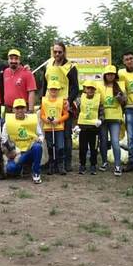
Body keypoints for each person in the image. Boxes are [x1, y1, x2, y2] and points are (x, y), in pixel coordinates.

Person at [41, 41, 79, 172]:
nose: (57, 54)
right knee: (50, 136)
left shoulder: (70, 67)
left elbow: (76, 87)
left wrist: (69, 100)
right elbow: (44, 85)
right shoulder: (48, 64)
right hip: (49, 104)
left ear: (64, 52)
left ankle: (66, 162)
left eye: (60, 52)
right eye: (55, 51)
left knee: (66, 135)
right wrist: (42, 101)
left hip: (63, 105)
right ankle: (52, 162)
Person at [2, 98, 44, 184]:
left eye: (22, 108)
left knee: (37, 147)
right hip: (16, 153)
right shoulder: (8, 122)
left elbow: (41, 135)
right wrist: (10, 150)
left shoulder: (32, 120)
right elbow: (4, 139)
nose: (20, 110)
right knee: (11, 169)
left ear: (26, 109)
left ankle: (36, 173)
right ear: (13, 110)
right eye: (17, 108)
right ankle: (21, 168)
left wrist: (39, 140)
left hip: (29, 150)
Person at [99, 65, 127, 176]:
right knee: (103, 141)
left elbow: (124, 102)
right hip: (103, 117)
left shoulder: (120, 85)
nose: (110, 76)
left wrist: (120, 98)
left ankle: (117, 165)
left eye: (112, 74)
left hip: (115, 117)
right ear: (105, 75)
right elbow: (97, 101)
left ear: (115, 75)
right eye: (108, 74)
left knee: (115, 141)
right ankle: (104, 162)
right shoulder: (100, 86)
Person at [40, 80, 69, 175]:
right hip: (48, 127)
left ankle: (61, 166)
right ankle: (51, 165)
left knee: (60, 146)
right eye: (52, 89)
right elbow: (42, 114)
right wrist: (46, 120)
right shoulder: (44, 100)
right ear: (48, 90)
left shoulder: (62, 101)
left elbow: (66, 114)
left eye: (55, 89)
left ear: (58, 90)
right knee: (50, 147)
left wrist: (59, 120)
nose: (53, 91)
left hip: (59, 127)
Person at [76, 80, 104, 175]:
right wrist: (76, 124)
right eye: (88, 88)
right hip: (83, 128)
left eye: (92, 88)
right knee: (82, 148)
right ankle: (82, 165)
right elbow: (77, 112)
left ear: (95, 90)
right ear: (85, 89)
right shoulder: (80, 99)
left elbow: (101, 112)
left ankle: (93, 165)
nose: (90, 90)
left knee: (94, 148)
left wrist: (100, 120)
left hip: (94, 129)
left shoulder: (98, 99)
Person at [3, 49, 37, 113]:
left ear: (19, 60)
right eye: (11, 58)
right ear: (8, 60)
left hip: (21, 108)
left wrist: (30, 110)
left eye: (16, 59)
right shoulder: (5, 72)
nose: (13, 61)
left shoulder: (27, 72)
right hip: (8, 108)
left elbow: (31, 92)